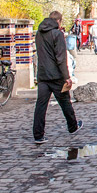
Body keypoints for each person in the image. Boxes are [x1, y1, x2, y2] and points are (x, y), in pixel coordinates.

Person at [33, 11, 83, 144]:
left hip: (43, 74)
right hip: (56, 75)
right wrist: (67, 77)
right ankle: (73, 126)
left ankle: (38, 135)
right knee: (65, 102)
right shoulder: (57, 34)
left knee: (41, 105)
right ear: (59, 21)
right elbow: (61, 57)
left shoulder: (39, 33)